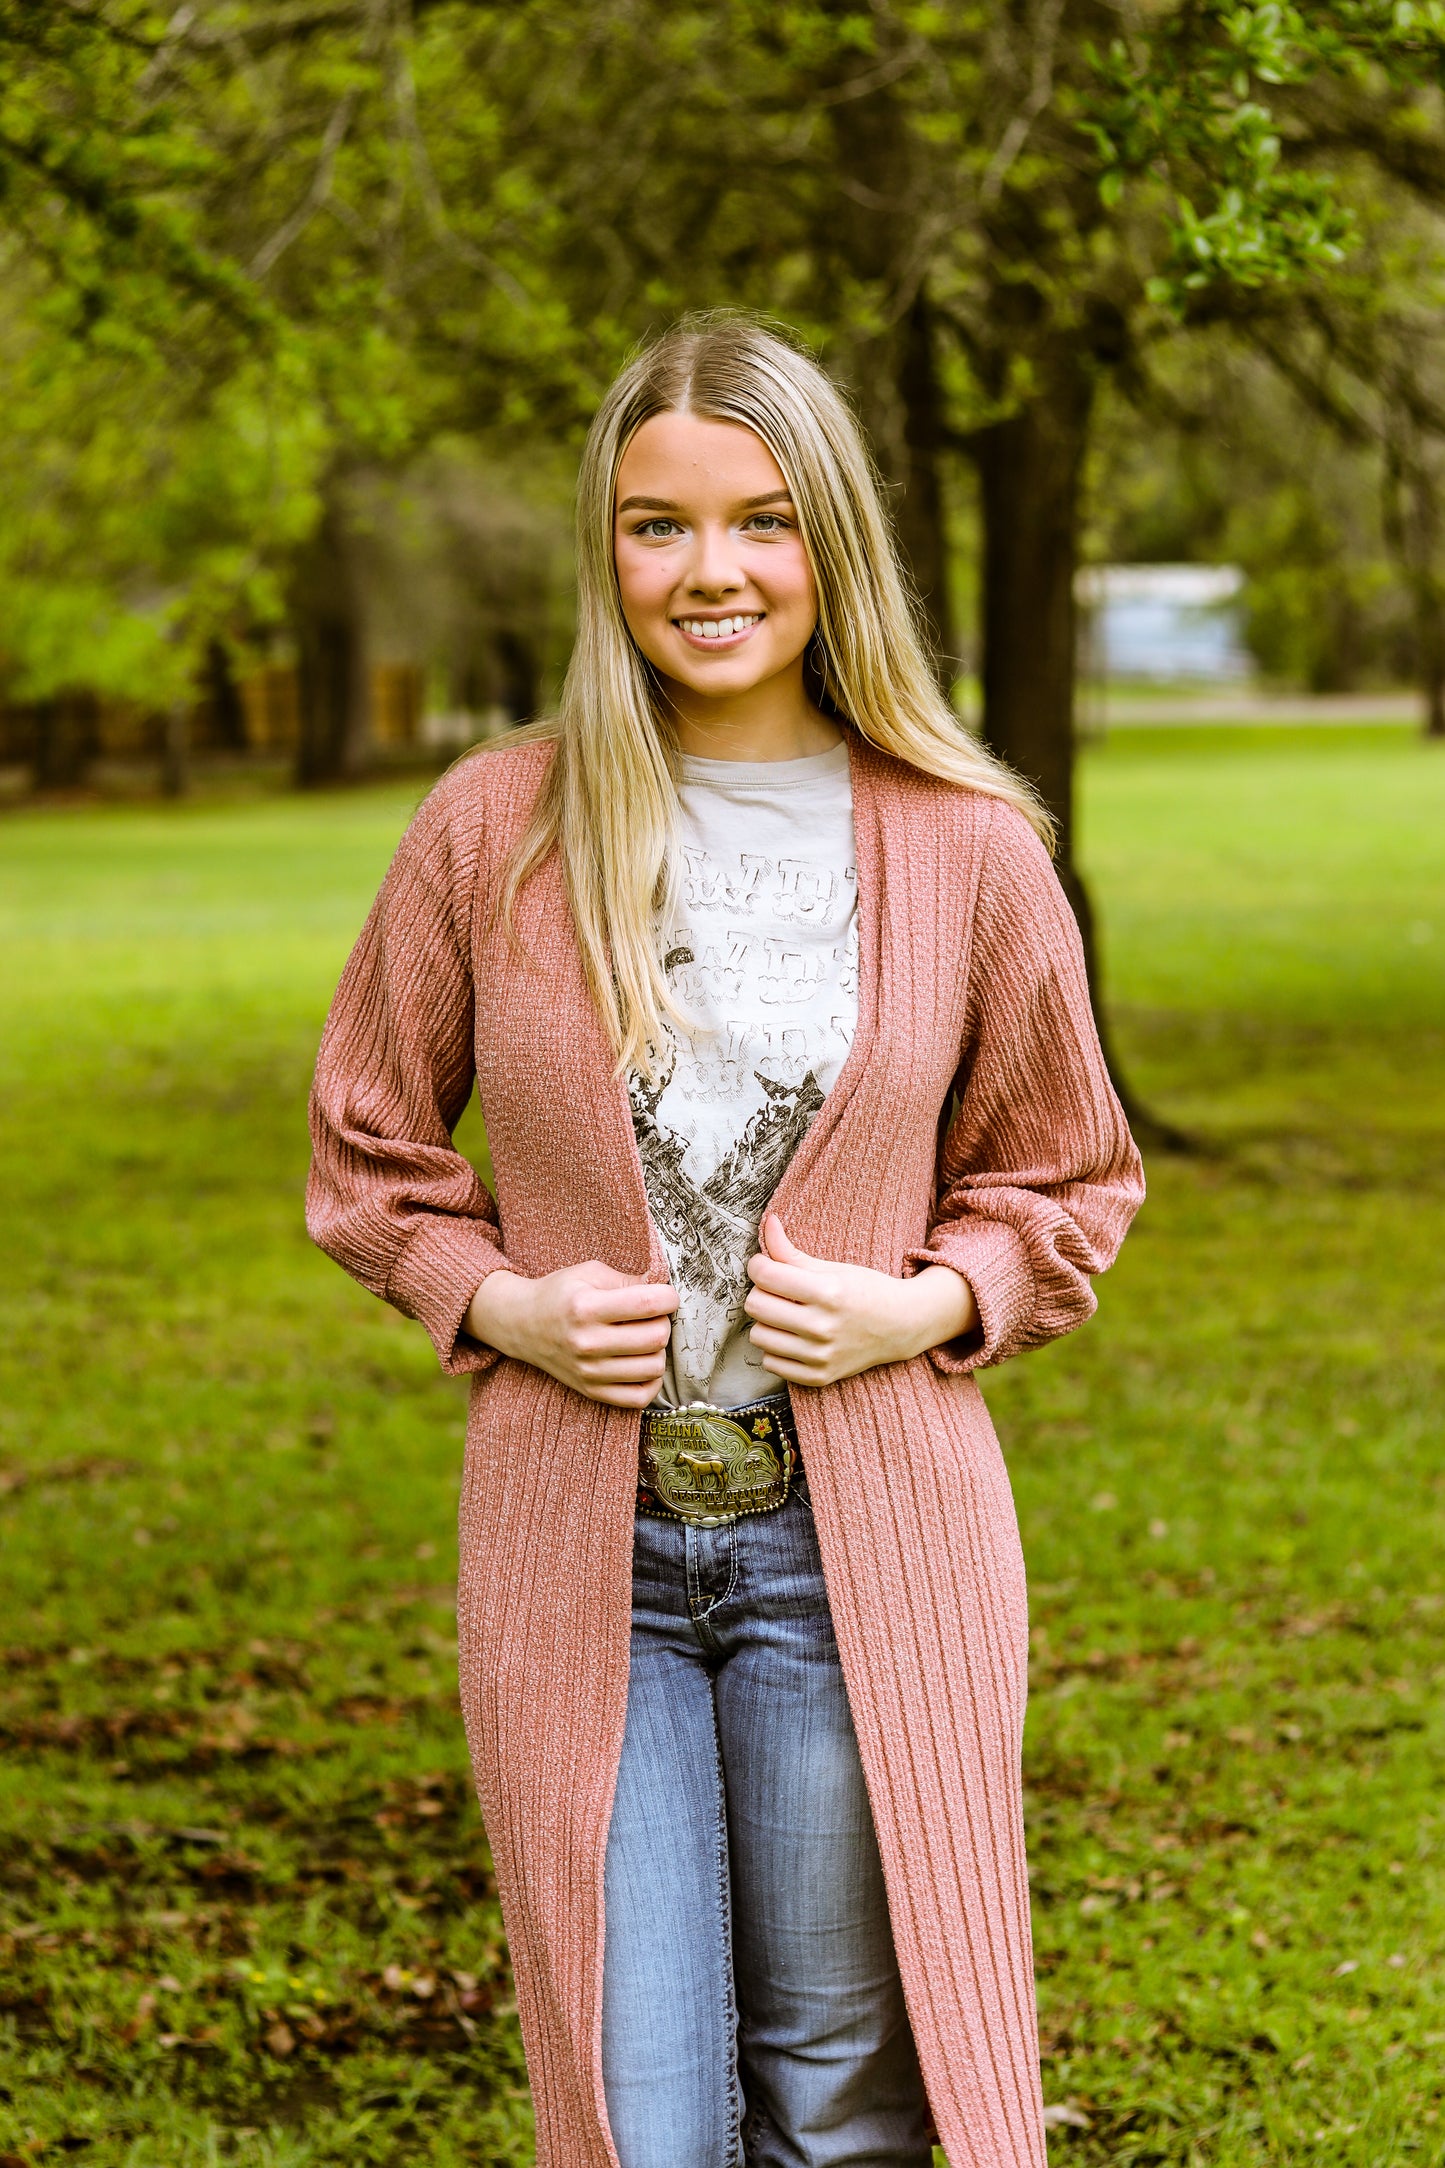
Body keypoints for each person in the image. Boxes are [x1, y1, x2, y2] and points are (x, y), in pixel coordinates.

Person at [307, 314, 1144, 2168]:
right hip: (578, 1547)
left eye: (761, 521)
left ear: (831, 541)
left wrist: (928, 1299)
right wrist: (497, 1301)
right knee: (637, 2106)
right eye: (657, 524)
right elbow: (367, 1144)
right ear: (604, 551)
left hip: (860, 1560)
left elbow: (1070, 1176)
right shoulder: (493, 832)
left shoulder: (964, 848)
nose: (712, 574)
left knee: (846, 2101)